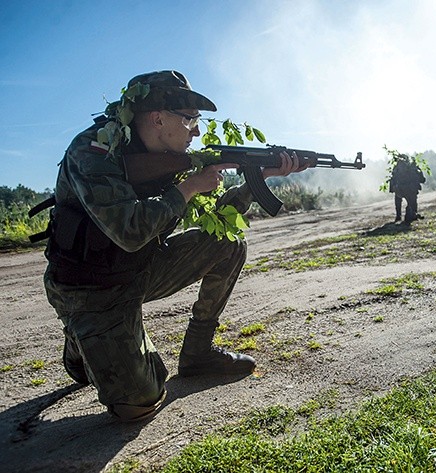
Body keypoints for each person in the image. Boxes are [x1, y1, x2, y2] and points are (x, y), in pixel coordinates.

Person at [42, 70, 307, 422]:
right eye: (190, 119)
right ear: (157, 118)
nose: (196, 131)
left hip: (139, 268)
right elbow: (130, 231)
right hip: (91, 290)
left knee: (227, 244)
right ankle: (81, 339)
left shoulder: (168, 157)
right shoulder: (93, 152)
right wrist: (188, 187)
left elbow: (219, 220)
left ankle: (198, 353)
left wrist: (258, 179)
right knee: (140, 401)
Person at [389, 155, 426, 225]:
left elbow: (392, 180)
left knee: (398, 200)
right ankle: (412, 213)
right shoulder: (413, 167)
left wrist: (393, 189)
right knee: (412, 203)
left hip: (399, 190)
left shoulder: (396, 168)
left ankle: (398, 215)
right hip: (410, 190)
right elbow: (422, 179)